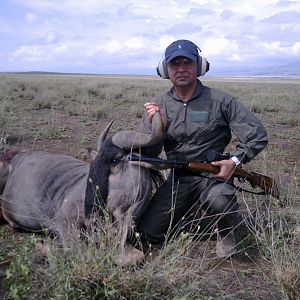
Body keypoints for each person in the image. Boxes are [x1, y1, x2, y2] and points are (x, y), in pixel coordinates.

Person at [136, 39, 268, 258]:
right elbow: (147, 156)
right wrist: (154, 128)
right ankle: (188, 211)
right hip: (178, 178)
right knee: (148, 233)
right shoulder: (157, 106)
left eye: (187, 63)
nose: (181, 69)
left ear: (199, 66)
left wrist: (234, 161)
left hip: (213, 176)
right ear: (164, 70)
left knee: (219, 200)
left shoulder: (222, 101)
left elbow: (257, 135)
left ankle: (226, 232)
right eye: (174, 64)